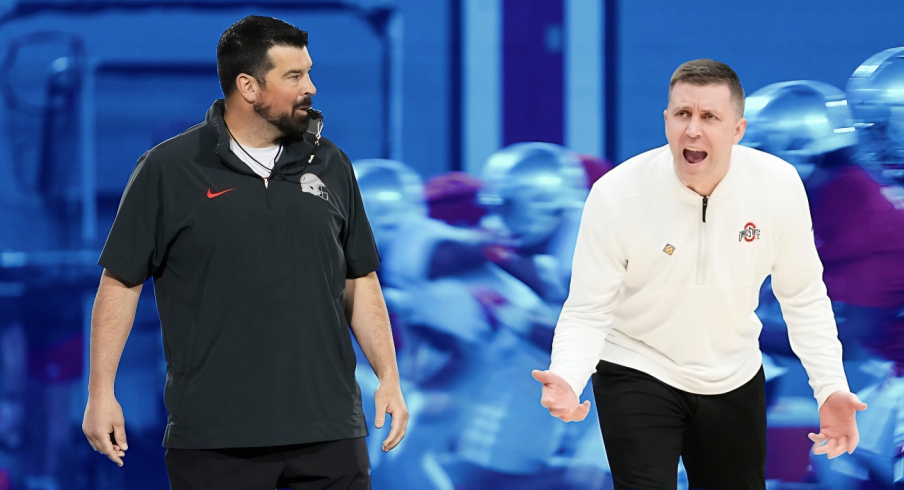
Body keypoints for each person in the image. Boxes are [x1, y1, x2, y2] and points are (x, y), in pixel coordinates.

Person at [81, 15, 408, 490]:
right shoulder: (168, 170)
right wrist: (101, 393)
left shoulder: (332, 164)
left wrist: (389, 378)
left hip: (330, 432)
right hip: (216, 437)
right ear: (248, 86)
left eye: (309, 72)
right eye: (294, 76)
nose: (310, 87)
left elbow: (360, 279)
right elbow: (120, 284)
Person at [532, 59, 867, 490]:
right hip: (637, 364)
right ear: (666, 121)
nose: (693, 130)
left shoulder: (779, 186)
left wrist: (830, 388)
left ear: (737, 130)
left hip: (734, 373)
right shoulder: (616, 194)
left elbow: (803, 298)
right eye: (682, 114)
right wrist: (567, 375)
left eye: (709, 116)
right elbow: (587, 308)